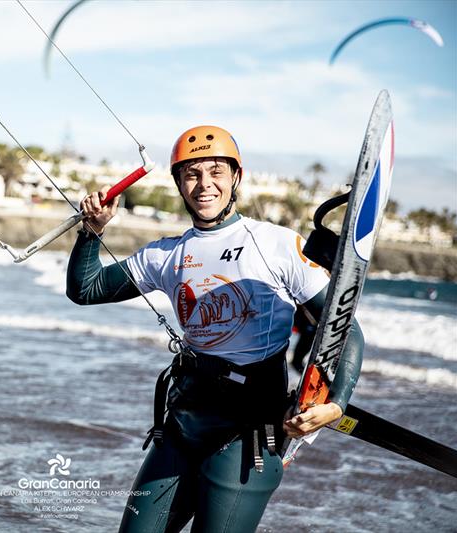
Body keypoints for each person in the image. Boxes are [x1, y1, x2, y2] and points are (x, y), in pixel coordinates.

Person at [65, 125, 363, 532]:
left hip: (248, 435)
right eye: (191, 174)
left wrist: (336, 403)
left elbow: (343, 328)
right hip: (182, 425)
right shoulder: (165, 255)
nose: (204, 184)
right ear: (179, 184)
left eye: (216, 172)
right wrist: (92, 230)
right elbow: (86, 289)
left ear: (236, 177)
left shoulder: (274, 245)